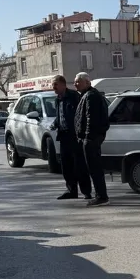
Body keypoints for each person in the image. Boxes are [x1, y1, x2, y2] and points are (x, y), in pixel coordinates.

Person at [51, 75, 92, 201]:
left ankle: (86, 192)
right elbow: (60, 115)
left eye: (56, 85)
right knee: (66, 165)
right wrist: (55, 123)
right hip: (63, 136)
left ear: (63, 84)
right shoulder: (58, 99)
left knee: (79, 165)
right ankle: (71, 190)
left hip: (74, 136)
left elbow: (81, 115)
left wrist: (81, 131)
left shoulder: (74, 97)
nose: (54, 88)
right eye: (53, 85)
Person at [74, 72, 110, 207]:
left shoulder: (91, 96)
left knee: (95, 168)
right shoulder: (87, 95)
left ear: (87, 82)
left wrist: (88, 137)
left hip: (91, 138)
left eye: (78, 81)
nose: (76, 84)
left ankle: (101, 196)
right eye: (75, 81)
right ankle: (100, 195)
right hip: (90, 138)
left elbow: (91, 118)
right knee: (93, 168)